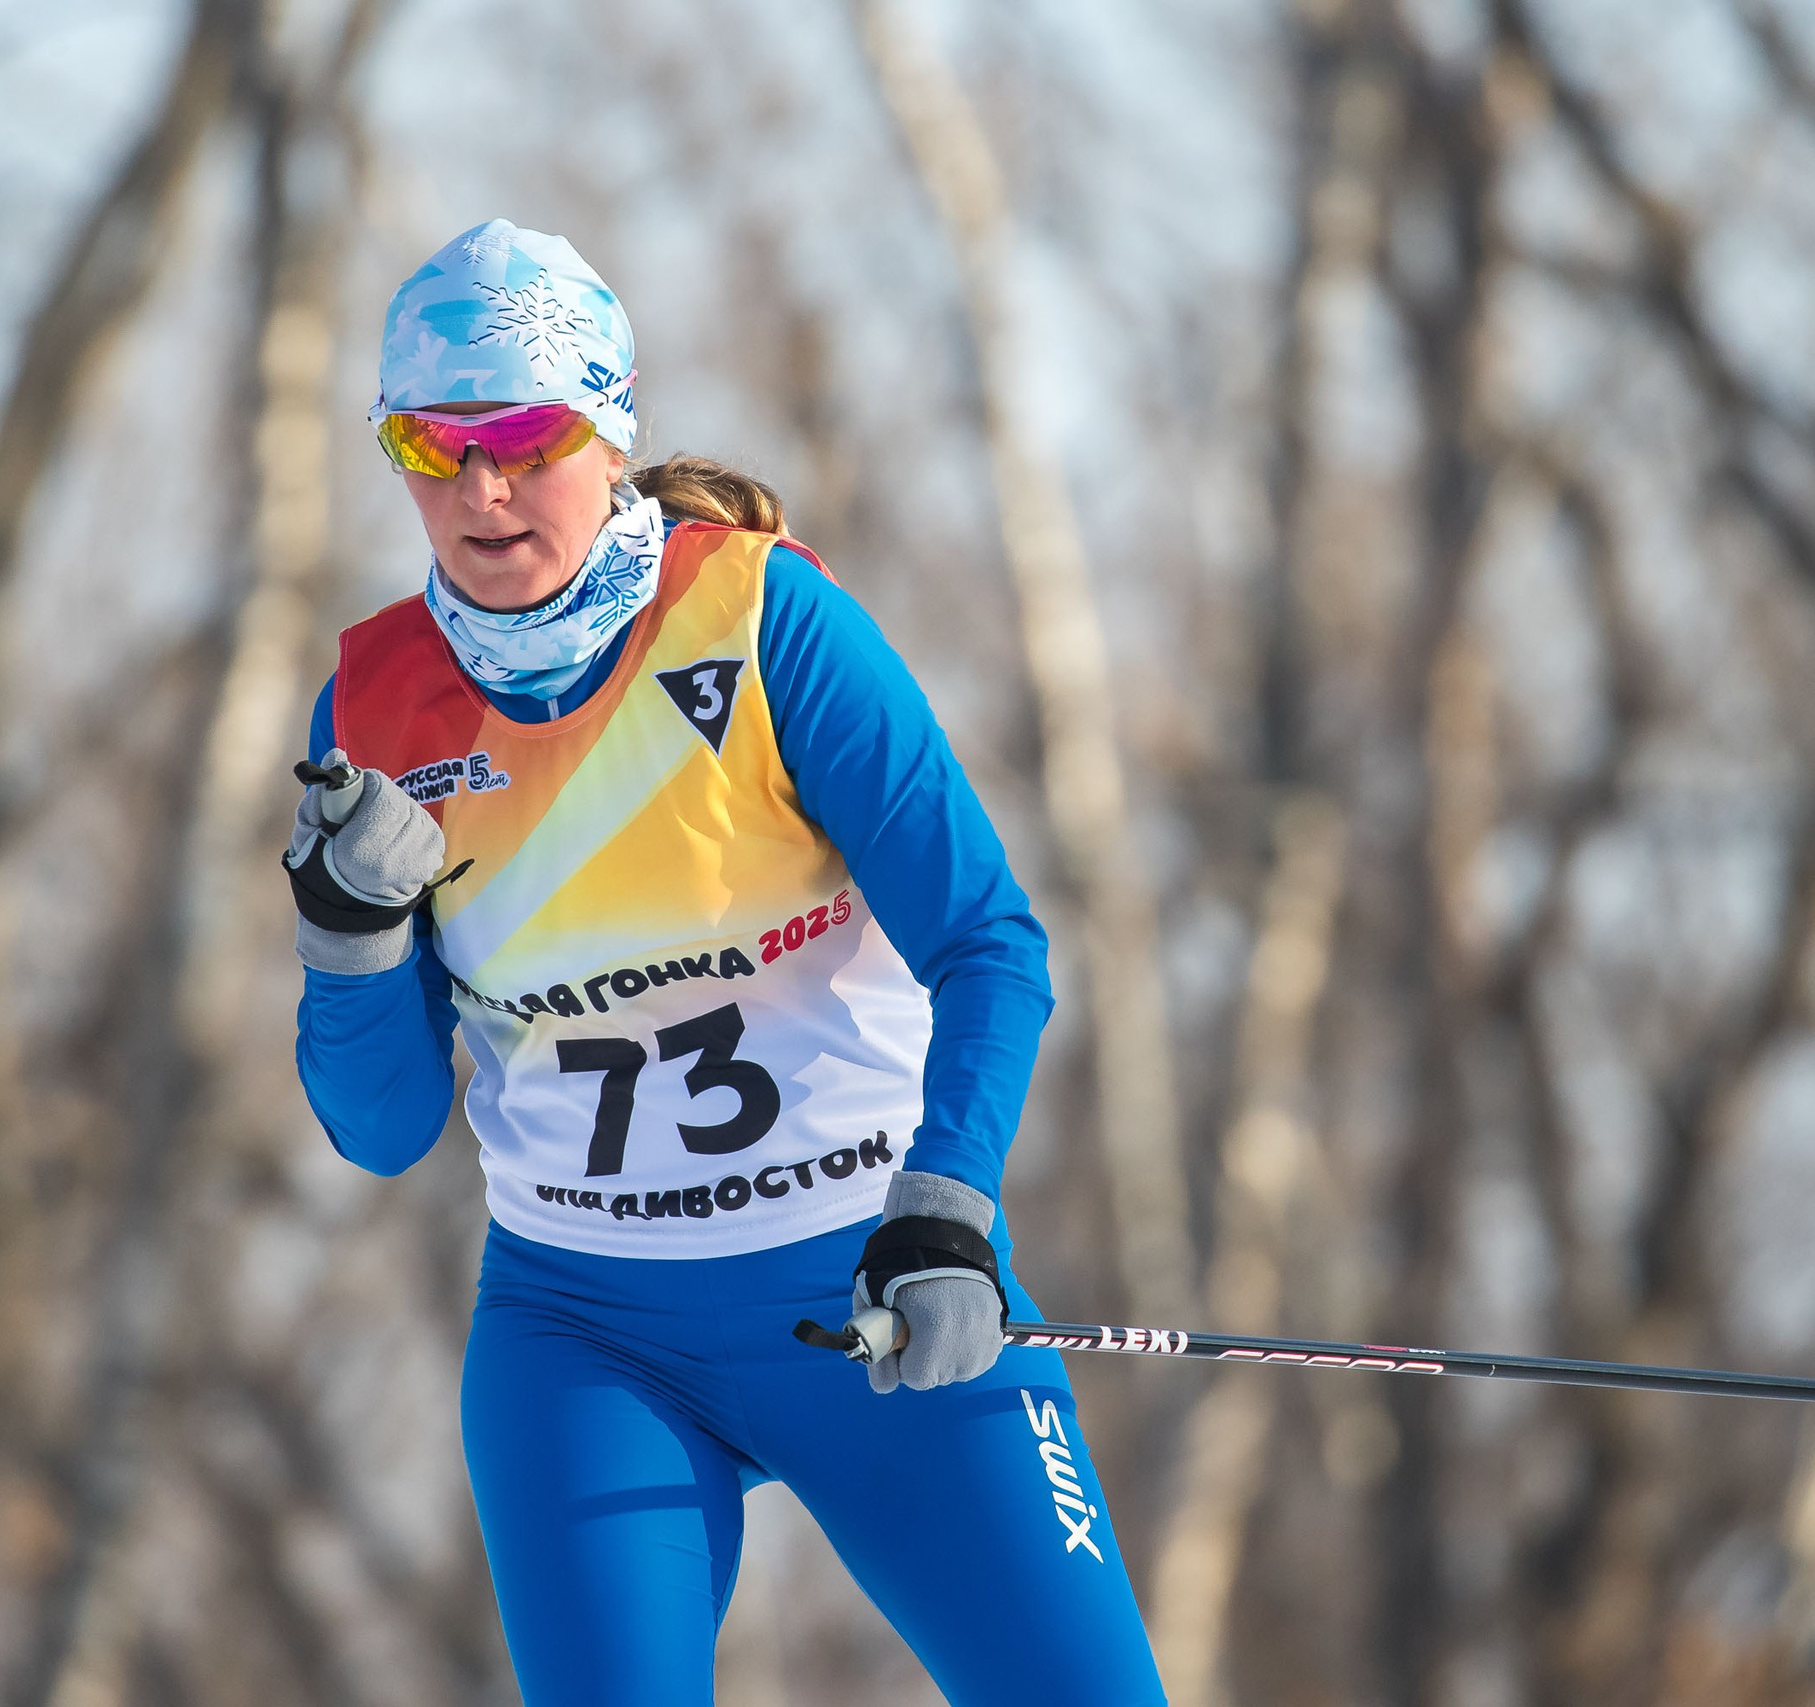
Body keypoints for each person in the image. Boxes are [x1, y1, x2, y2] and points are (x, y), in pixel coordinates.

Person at [284, 219, 1168, 1705]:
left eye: (525, 439)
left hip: (880, 1293)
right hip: (588, 1338)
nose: (483, 493)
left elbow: (989, 942)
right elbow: (382, 1133)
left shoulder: (767, 625)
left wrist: (948, 1210)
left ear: (607, 432)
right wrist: (347, 943)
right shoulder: (374, 708)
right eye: (432, 450)